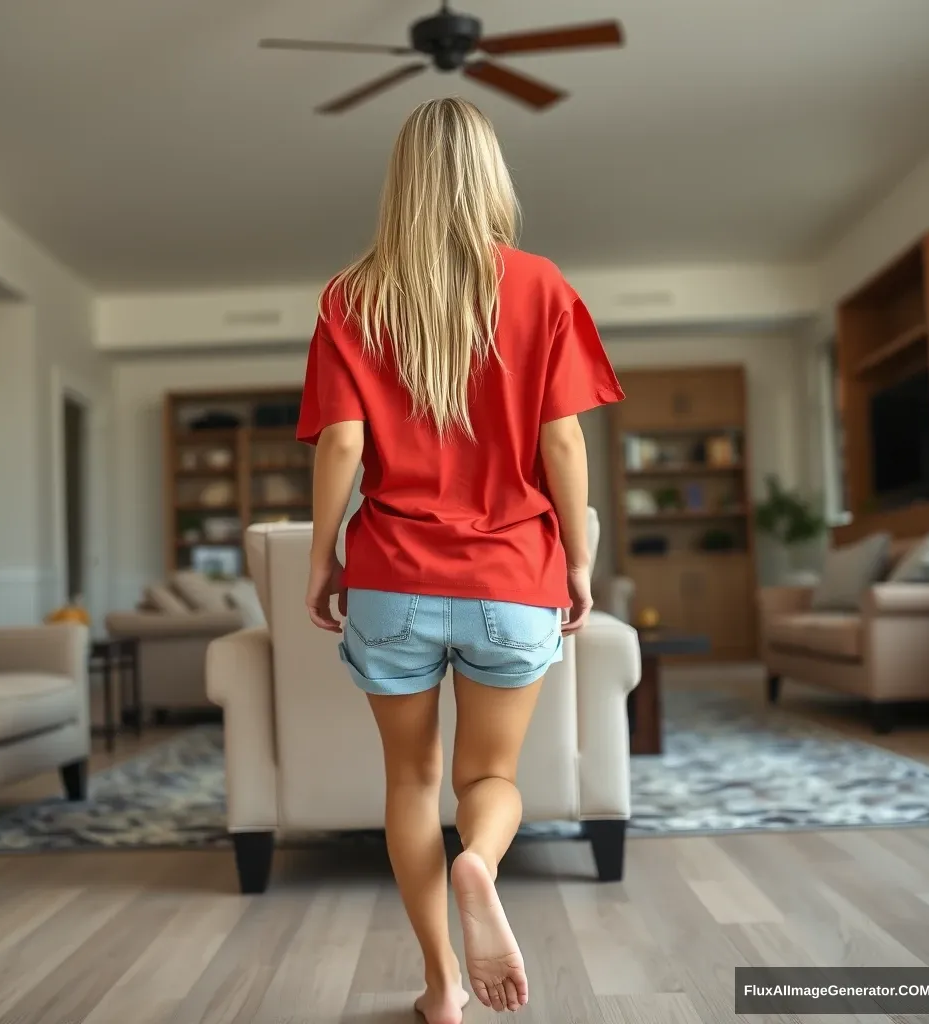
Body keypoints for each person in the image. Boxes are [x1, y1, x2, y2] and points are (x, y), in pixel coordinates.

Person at [296, 97, 624, 1024]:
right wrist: (581, 559)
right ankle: (479, 862)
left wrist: (324, 560)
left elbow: (342, 448)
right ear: (490, 177)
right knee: (490, 781)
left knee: (408, 781)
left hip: (392, 576)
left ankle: (441, 987)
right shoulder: (541, 284)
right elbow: (564, 448)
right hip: (511, 578)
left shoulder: (350, 295)